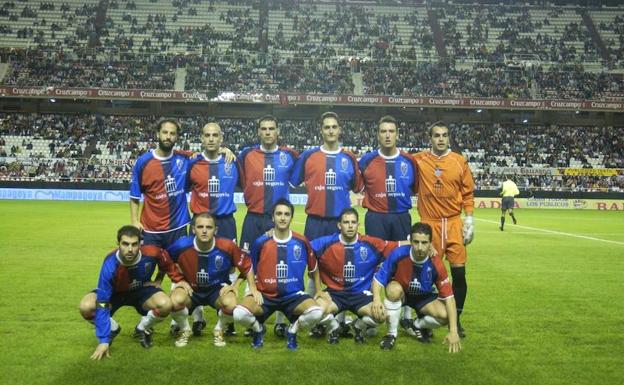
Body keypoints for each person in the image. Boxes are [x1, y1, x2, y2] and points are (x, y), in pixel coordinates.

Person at [290, 111, 364, 337]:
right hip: (315, 222)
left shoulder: (349, 157)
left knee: (340, 270)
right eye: (326, 127)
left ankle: (338, 320)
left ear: (339, 130)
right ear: (321, 130)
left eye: (334, 127)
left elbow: (358, 187)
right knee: (313, 271)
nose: (330, 131)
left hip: (339, 224)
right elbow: (293, 182)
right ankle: (315, 319)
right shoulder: (309, 156)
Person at [78, 225, 191, 360]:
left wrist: (175, 280)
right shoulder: (110, 264)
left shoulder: (152, 252)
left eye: (134, 244)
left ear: (140, 244)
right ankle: (112, 329)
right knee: (86, 306)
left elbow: (166, 262)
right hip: (115, 294)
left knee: (165, 304)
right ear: (118, 244)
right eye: (125, 244)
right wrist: (103, 340)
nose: (130, 249)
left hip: (141, 291)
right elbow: (103, 302)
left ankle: (142, 328)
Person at [233, 199, 324, 351]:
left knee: (316, 313)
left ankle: (292, 331)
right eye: (279, 214)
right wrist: (251, 288)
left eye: (287, 214)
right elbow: (249, 268)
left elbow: (313, 267)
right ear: (273, 217)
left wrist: (319, 290)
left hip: (293, 296)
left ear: (291, 218)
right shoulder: (261, 242)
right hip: (265, 296)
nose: (283, 217)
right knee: (239, 314)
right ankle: (258, 329)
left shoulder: (301, 241)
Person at [238, 115, 299, 337]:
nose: (267, 132)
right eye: (263, 128)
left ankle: (283, 319)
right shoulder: (246, 154)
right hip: (253, 217)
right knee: (248, 263)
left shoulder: (290, 156)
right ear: (258, 132)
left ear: (277, 132)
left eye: (271, 128)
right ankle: (253, 316)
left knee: (281, 262)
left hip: (278, 219)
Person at [413, 121, 474, 338]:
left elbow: (467, 193)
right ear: (430, 138)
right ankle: (423, 321)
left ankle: (456, 319)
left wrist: (469, 220)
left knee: (459, 274)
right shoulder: (419, 160)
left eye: (444, 135)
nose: (440, 139)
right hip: (430, 224)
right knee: (428, 275)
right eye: (436, 135)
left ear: (449, 138)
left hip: (454, 223)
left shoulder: (459, 162)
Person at [359, 115, 418, 333]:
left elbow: (414, 188)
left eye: (391, 131)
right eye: (383, 131)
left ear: (397, 134)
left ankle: (407, 315)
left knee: (405, 265)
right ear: (377, 135)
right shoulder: (366, 161)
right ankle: (372, 316)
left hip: (401, 216)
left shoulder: (409, 161)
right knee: (374, 265)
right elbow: (358, 185)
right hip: (376, 217)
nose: (387, 135)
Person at [167, 213, 261, 347]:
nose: (204, 231)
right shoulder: (182, 245)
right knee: (174, 301)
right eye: (200, 227)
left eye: (209, 227)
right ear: (193, 229)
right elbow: (165, 260)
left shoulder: (227, 246)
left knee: (231, 303)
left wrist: (243, 286)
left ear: (215, 230)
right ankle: (185, 330)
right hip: (191, 290)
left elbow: (247, 265)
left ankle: (219, 329)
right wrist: (179, 280)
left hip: (217, 290)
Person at [311, 208, 403, 344]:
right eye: (346, 222)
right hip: (335, 294)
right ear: (339, 225)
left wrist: (421, 244)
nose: (350, 226)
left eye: (353, 222)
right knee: (314, 312)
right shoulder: (326, 243)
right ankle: (334, 326)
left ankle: (358, 326)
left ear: (358, 225)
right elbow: (302, 247)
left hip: (360, 296)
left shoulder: (370, 244)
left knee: (381, 316)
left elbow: (398, 245)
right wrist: (273, 235)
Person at [372, 222, 461, 353]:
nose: (420, 247)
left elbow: (449, 298)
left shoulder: (436, 263)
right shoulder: (398, 254)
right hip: (401, 293)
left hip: (422, 297)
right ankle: (391, 334)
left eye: (424, 243)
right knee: (392, 290)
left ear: (431, 243)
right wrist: (377, 299)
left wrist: (453, 331)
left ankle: (416, 325)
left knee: (445, 316)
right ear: (410, 241)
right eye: (416, 242)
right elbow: (379, 279)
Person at [129, 118, 190, 248]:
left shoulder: (184, 158)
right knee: (146, 267)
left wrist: (224, 150)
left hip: (178, 228)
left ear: (177, 137)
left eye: (172, 133)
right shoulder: (143, 162)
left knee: (178, 268)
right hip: (151, 230)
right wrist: (134, 221)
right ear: (158, 134)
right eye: (165, 132)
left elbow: (206, 155)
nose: (168, 137)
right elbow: (134, 196)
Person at [187, 122, 240, 242]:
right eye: (207, 135)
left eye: (215, 135)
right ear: (202, 138)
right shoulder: (192, 163)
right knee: (196, 260)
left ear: (221, 138)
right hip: (200, 222)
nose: (211, 139)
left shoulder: (233, 162)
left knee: (228, 259)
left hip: (225, 223)